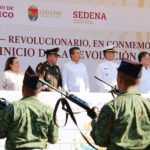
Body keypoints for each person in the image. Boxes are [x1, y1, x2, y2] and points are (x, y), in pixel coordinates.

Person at [90, 59, 150, 150]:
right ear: (139, 81)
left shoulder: (111, 107)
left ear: (119, 79)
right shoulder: (147, 105)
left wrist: (95, 120)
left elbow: (101, 140)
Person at [0, 66, 58, 150]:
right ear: (40, 90)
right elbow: (53, 139)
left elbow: (1, 133)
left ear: (22, 88)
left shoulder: (12, 108)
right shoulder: (48, 110)